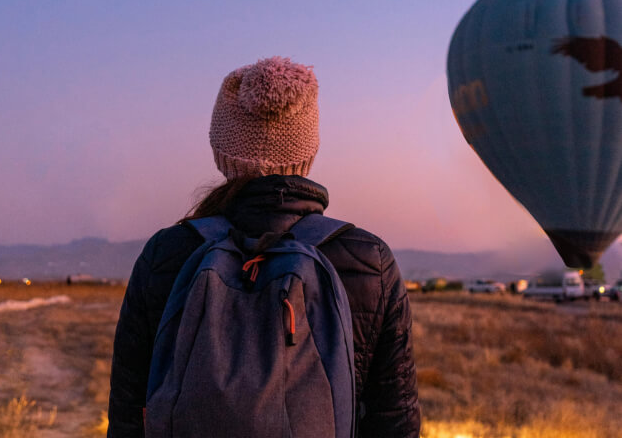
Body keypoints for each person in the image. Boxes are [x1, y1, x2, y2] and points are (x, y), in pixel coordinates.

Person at [108, 57, 420, 438]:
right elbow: (395, 421)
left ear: (221, 151)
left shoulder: (168, 253)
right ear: (309, 152)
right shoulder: (369, 260)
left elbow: (128, 413)